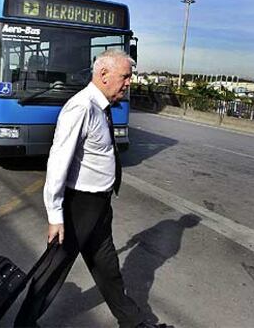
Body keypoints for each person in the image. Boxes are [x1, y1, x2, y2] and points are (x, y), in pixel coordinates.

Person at [14, 49, 167, 328]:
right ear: (104, 74)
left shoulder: (101, 107)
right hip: (79, 206)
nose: (129, 82)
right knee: (54, 268)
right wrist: (55, 216)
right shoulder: (81, 107)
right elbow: (59, 162)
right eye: (125, 76)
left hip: (98, 205)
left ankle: (133, 322)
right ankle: (23, 324)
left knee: (107, 268)